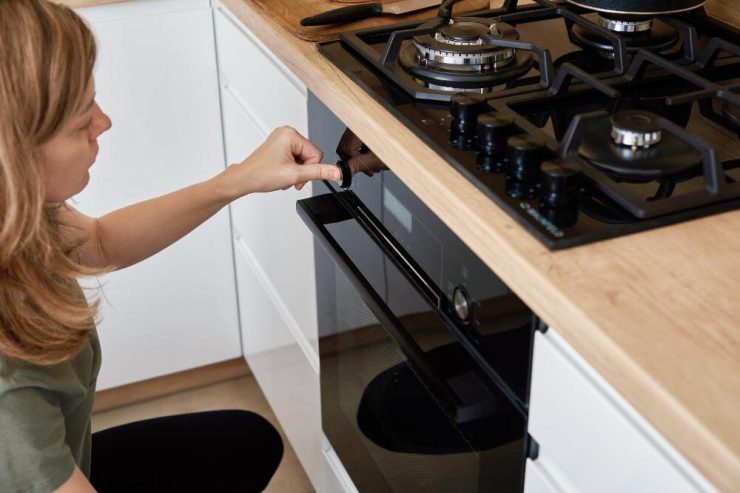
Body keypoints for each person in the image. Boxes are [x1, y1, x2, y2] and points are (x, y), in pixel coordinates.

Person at [0, 1, 342, 491]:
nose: (104, 122)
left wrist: (238, 179)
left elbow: (97, 242)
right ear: (15, 159)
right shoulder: (8, 397)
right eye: (81, 122)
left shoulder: (18, 218)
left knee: (245, 444)